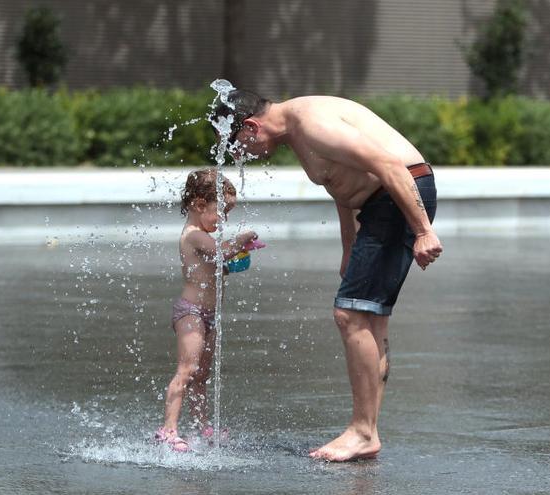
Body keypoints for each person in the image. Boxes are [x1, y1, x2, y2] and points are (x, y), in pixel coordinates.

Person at [212, 89, 443, 462]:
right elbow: (342, 186)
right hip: (381, 204)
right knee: (369, 318)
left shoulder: (311, 123)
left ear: (252, 126)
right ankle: (366, 431)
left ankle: (363, 432)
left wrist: (422, 231)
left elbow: (389, 165)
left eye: (236, 145)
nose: (238, 155)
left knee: (350, 315)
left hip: (399, 197)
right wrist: (349, 246)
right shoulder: (297, 129)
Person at [154, 169, 258, 452]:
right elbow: (220, 250)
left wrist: (231, 266)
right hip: (191, 313)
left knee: (201, 375)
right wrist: (242, 240)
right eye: (221, 212)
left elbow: (217, 264)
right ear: (200, 205)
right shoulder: (193, 235)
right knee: (186, 371)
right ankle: (168, 429)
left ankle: (202, 426)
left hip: (209, 315)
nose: (224, 220)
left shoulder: (205, 236)